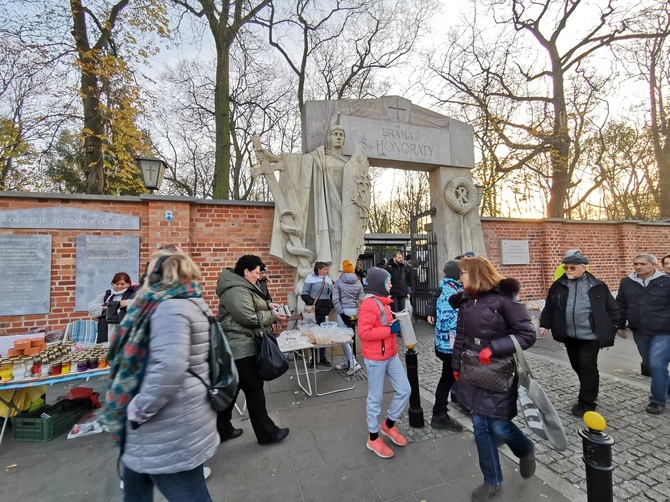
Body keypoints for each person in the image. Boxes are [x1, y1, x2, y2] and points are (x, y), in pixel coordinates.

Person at [104, 251, 218, 502]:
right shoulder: (185, 300)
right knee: (136, 488)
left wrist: (139, 408)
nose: (144, 276)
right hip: (168, 421)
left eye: (149, 271)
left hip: (168, 423)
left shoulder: (170, 307)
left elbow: (170, 367)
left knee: (188, 493)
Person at [450, 256, 537, 501]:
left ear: (476, 274)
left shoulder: (504, 299)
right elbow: (461, 337)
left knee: (498, 425)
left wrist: (494, 347)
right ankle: (492, 482)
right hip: (471, 372)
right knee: (480, 426)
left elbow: (526, 336)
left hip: (498, 372)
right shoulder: (466, 300)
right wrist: (456, 366)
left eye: (463, 274)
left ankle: (525, 448)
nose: (460, 278)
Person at [256, 122, 370, 285]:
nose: (338, 137)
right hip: (326, 206)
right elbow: (297, 161)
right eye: (335, 134)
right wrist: (271, 158)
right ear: (330, 138)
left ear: (344, 140)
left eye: (341, 135)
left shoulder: (349, 163)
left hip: (345, 209)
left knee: (341, 241)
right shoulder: (320, 157)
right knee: (332, 241)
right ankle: (328, 276)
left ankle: (340, 277)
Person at [216, 254, 290, 443]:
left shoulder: (241, 286)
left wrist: (267, 304)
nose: (258, 276)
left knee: (233, 389)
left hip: (238, 347)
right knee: (254, 389)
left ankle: (221, 429)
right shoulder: (235, 289)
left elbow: (248, 306)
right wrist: (272, 315)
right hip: (241, 348)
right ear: (246, 271)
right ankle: (267, 434)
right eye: (256, 272)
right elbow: (247, 317)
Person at [539, 252, 619, 416]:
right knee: (578, 366)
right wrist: (545, 323)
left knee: (587, 366)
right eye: (566, 267)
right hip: (569, 336)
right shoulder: (558, 285)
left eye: (572, 267)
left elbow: (611, 308)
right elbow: (550, 307)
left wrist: (615, 326)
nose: (568, 270)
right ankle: (588, 389)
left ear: (583, 268)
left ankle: (587, 402)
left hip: (590, 336)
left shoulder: (596, 286)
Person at [358, 267, 411, 459]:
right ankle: (373, 438)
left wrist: (397, 322)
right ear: (379, 285)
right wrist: (390, 330)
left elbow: (381, 325)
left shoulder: (384, 303)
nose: (391, 284)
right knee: (375, 398)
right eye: (387, 281)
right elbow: (364, 333)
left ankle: (388, 425)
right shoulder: (369, 304)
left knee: (405, 389)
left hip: (390, 355)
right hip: (375, 358)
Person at [616, 253, 670, 414]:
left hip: (664, 331)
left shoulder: (666, 282)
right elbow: (621, 304)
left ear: (654, 265)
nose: (638, 267)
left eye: (643, 264)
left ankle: (657, 401)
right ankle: (665, 387)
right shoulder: (627, 283)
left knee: (657, 363)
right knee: (650, 364)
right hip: (640, 330)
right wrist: (620, 326)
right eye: (636, 264)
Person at [425, 260, 463, 431]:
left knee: (447, 378)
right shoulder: (451, 292)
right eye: (462, 272)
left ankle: (439, 413)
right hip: (451, 347)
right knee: (448, 379)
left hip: (446, 345)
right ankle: (439, 414)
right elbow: (452, 323)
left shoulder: (449, 288)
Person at [87, 272, 138, 343]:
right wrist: (104, 308)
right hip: (108, 331)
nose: (119, 286)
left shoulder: (136, 293)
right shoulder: (107, 295)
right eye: (117, 284)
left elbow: (144, 304)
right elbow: (90, 307)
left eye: (122, 284)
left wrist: (128, 303)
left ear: (128, 283)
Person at [333, 259, 364, 375]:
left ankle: (353, 361)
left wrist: (341, 313)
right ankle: (347, 361)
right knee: (349, 337)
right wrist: (358, 313)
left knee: (343, 338)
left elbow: (335, 299)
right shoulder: (358, 282)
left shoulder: (339, 282)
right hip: (354, 311)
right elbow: (361, 299)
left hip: (343, 311)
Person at [301, 261, 334, 367]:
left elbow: (331, 294)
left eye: (327, 269)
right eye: (324, 269)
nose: (326, 271)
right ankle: (314, 359)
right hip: (314, 311)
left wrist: (330, 304)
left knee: (323, 335)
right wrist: (313, 303)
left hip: (326, 310)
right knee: (314, 334)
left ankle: (323, 357)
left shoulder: (328, 279)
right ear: (318, 270)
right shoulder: (310, 278)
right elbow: (304, 294)